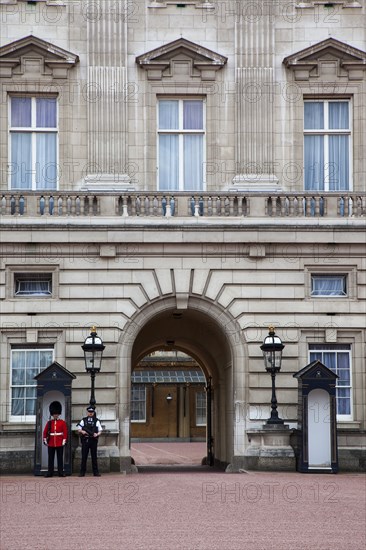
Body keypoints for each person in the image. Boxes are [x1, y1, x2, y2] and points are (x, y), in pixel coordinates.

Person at [43, 401, 68, 477]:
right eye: (54, 414)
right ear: (52, 414)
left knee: (60, 458)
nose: (55, 415)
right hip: (51, 442)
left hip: (59, 442)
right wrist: (45, 439)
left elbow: (65, 432)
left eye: (56, 414)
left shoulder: (62, 422)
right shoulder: (49, 422)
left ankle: (61, 472)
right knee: (50, 458)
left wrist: (64, 440)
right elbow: (45, 431)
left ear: (58, 414)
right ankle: (50, 472)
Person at [77, 406, 102, 477]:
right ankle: (82, 472)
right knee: (84, 456)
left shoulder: (97, 420)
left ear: (93, 412)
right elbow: (79, 429)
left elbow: (100, 430)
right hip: (85, 440)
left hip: (93, 440)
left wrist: (97, 434)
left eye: (92, 412)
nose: (90, 413)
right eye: (89, 412)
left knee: (94, 456)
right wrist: (82, 431)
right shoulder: (83, 420)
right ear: (87, 412)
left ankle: (95, 472)